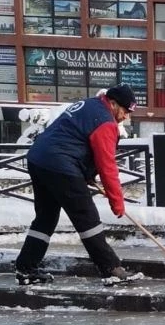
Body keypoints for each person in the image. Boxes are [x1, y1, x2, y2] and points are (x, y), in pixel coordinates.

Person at [15, 84, 142, 286]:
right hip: (60, 163)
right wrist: (116, 201)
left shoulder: (89, 105)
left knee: (46, 217)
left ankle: (26, 267)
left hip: (39, 159)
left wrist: (85, 172)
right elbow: (107, 165)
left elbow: (73, 138)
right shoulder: (105, 122)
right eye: (125, 111)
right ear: (113, 103)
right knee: (86, 217)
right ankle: (111, 269)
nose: (126, 116)